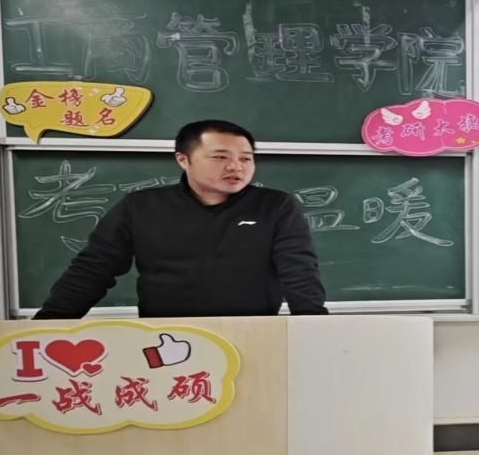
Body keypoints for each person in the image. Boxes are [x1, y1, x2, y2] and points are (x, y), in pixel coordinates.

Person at [33, 119, 329, 319]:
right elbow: (93, 269)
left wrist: (316, 327)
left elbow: (299, 271)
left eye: (246, 158)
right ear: (183, 159)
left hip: (255, 332)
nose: (236, 167)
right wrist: (47, 326)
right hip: (165, 335)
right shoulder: (142, 206)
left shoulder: (275, 206)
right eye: (220, 157)